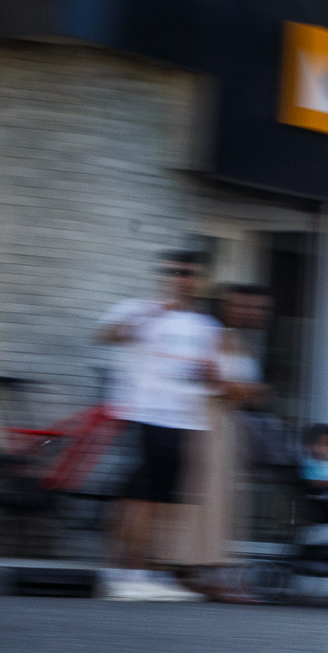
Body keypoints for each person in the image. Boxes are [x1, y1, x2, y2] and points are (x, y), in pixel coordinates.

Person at [95, 250, 223, 601]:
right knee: (142, 498)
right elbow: (105, 335)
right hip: (144, 414)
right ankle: (128, 573)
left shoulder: (206, 326)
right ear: (162, 277)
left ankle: (146, 571)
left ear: (201, 281)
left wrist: (211, 376)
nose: (181, 280)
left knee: (167, 501)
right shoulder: (139, 309)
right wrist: (148, 315)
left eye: (188, 274)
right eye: (173, 273)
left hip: (185, 419)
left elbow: (212, 379)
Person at [165, 285, 270, 586]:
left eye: (258, 308)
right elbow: (214, 381)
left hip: (227, 423)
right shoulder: (210, 336)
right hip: (204, 421)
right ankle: (187, 565)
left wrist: (241, 390)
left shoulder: (241, 342)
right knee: (202, 492)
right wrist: (237, 390)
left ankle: (206, 566)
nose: (253, 313)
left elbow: (253, 393)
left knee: (220, 497)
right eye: (244, 306)